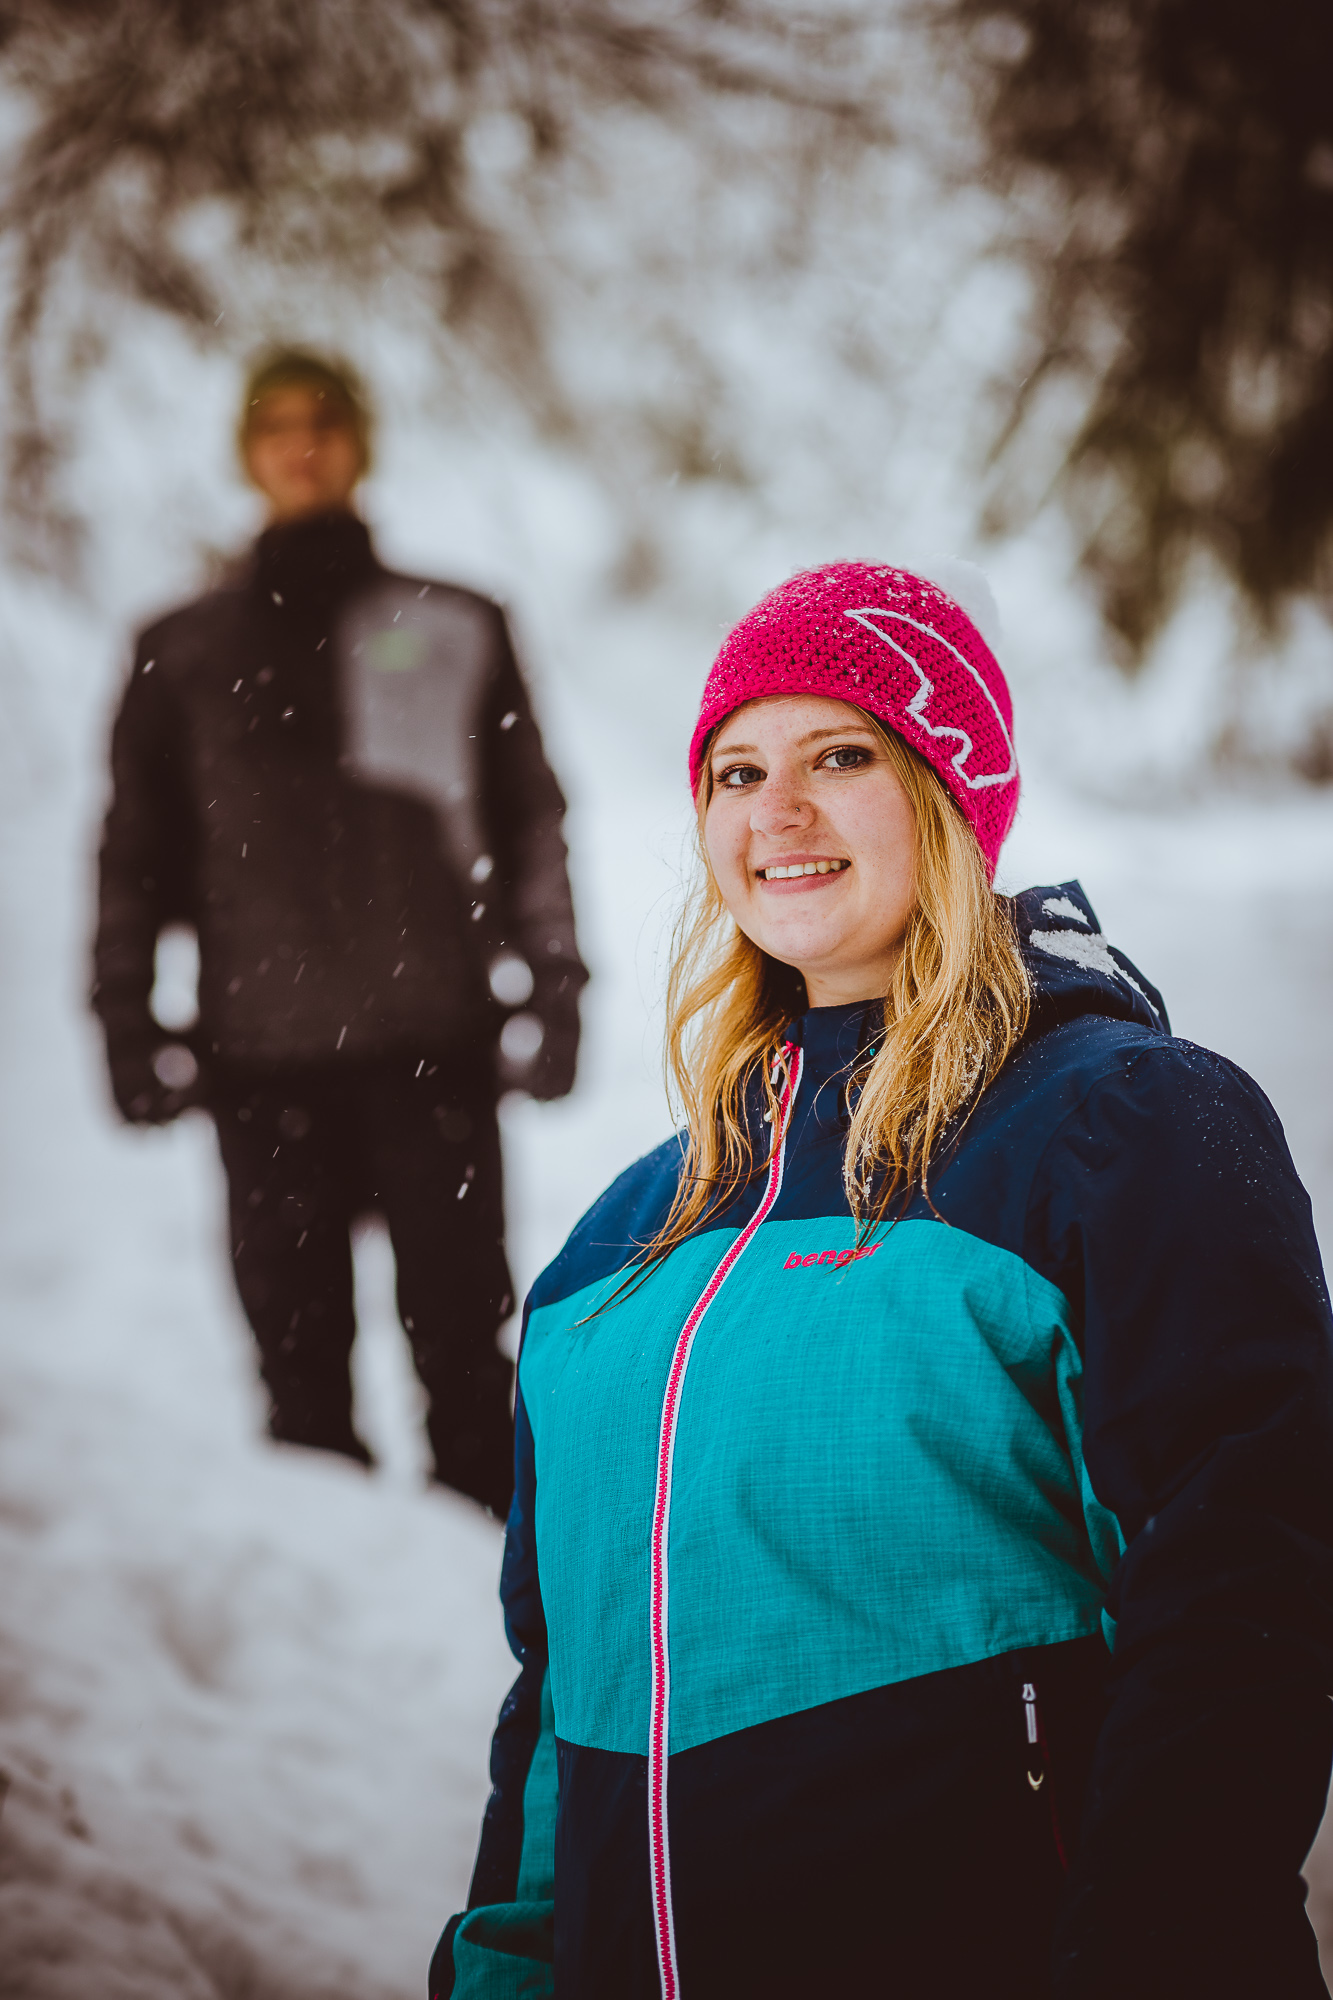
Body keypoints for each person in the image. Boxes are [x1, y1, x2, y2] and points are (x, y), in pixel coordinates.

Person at [432, 561, 1333, 1997]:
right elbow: (552, 1718)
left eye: (837, 754)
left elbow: (1245, 1601)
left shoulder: (1126, 1127)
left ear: (948, 791)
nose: (772, 811)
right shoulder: (612, 1253)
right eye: (735, 770)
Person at [92, 350, 586, 1514]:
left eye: (323, 421)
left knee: (473, 1383)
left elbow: (531, 820)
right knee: (301, 1406)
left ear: (361, 442)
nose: (300, 443)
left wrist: (556, 981)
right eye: (274, 425)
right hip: (263, 1065)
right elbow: (133, 853)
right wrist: (119, 1012)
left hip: (436, 1052)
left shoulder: (456, 621)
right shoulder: (183, 650)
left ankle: (511, 1652)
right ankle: (327, 1675)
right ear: (246, 451)